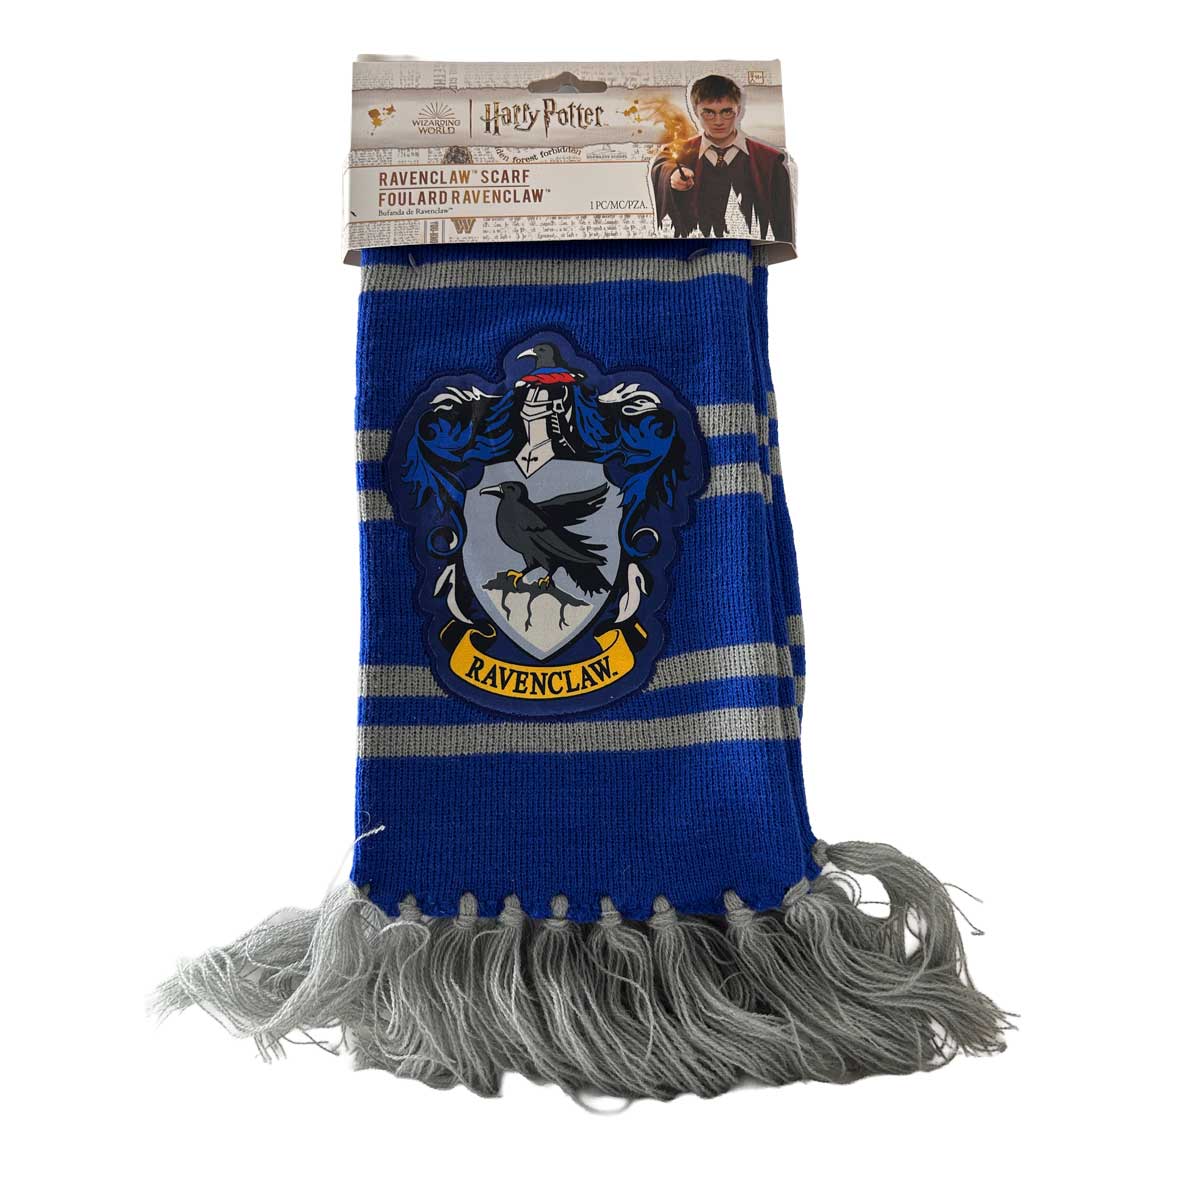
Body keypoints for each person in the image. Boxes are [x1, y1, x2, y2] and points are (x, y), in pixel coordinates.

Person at [651, 74, 793, 243]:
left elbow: (783, 226)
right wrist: (672, 174)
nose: (718, 121)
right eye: (708, 113)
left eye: (726, 112)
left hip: (747, 251)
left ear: (738, 110)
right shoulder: (680, 152)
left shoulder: (769, 161)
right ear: (695, 111)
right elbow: (663, 163)